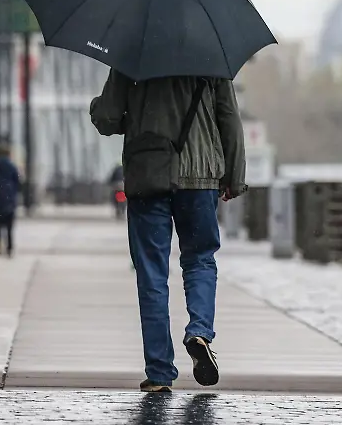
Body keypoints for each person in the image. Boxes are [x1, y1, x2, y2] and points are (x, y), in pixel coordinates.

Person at [90, 69, 247, 393]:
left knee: (151, 273)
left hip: (149, 174)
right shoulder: (210, 57)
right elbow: (228, 117)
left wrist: (113, 111)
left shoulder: (133, 53)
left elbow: (107, 117)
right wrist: (234, 175)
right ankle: (200, 331)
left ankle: (160, 371)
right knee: (200, 258)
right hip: (200, 175)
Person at [0, 144, 21, 257]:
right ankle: (9, 246)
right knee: (9, 225)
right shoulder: (12, 166)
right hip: (9, 198)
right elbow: (17, 182)